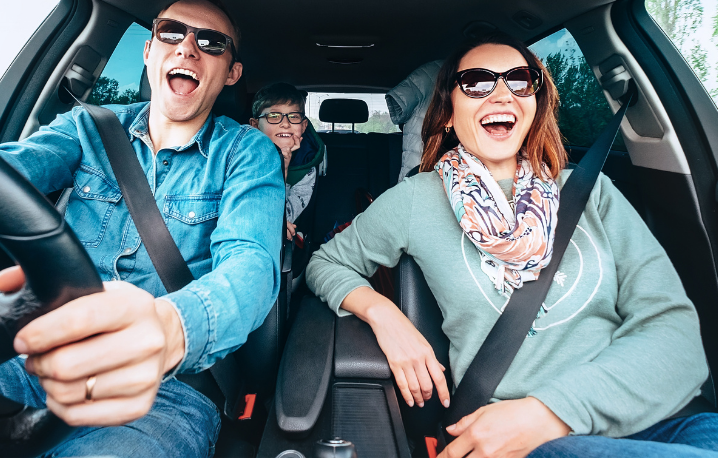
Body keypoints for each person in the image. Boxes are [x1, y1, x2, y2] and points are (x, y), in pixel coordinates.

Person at [306, 31, 717, 457]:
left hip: (660, 419)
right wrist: (384, 315)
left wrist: (553, 410)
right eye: (478, 82)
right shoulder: (415, 200)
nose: (501, 94)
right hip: (526, 441)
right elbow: (326, 263)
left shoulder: (591, 191)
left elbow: (676, 336)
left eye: (518, 80)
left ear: (534, 103)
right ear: (446, 112)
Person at [0, 0, 285, 457]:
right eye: (171, 33)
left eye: (211, 43)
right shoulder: (85, 128)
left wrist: (168, 328)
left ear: (232, 73)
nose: (187, 48)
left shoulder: (247, 153)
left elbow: (251, 264)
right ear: (150, 50)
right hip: (33, 355)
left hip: (163, 392)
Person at [250, 82, 325, 241]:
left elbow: (286, 217)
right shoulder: (242, 159)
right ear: (255, 126)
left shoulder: (306, 167)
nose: (285, 123)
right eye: (274, 116)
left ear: (303, 126)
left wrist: (283, 168)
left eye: (294, 117)